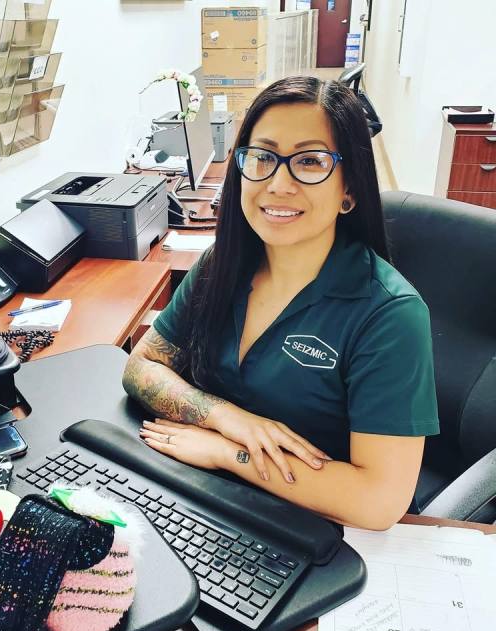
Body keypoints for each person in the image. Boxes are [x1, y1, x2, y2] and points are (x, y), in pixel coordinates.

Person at [122, 76, 439, 531]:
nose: (278, 183)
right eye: (263, 157)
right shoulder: (222, 264)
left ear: (349, 190)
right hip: (207, 504)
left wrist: (229, 452)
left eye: (310, 162)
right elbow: (141, 367)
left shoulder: (390, 315)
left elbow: (379, 502)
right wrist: (225, 417)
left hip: (310, 530)